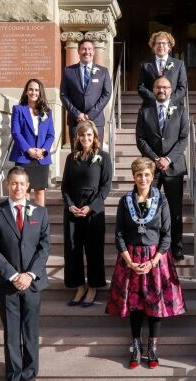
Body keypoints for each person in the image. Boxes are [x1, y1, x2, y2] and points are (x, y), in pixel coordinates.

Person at [106, 157, 185, 369]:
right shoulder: (125, 201)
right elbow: (119, 234)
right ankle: (136, 346)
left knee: (154, 305)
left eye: (147, 175)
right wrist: (130, 262)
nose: (143, 178)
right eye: (139, 175)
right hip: (130, 258)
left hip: (155, 259)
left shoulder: (162, 200)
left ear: (153, 177)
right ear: (134, 177)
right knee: (135, 305)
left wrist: (153, 261)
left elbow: (167, 235)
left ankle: (152, 348)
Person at [0, 167, 51, 381]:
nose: (18, 187)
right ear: (6, 185)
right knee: (12, 332)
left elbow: (44, 248)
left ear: (28, 186)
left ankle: (30, 379)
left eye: (22, 184)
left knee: (30, 332)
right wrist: (13, 275)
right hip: (8, 284)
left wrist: (30, 275)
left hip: (32, 284)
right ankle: (13, 379)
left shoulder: (40, 213)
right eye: (13, 183)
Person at [136, 76, 189, 260]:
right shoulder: (145, 111)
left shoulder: (181, 111)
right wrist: (155, 159)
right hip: (150, 169)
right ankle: (149, 242)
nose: (162, 90)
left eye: (165, 87)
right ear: (153, 89)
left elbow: (183, 139)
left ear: (171, 90)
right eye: (158, 87)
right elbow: (140, 139)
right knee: (147, 205)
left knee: (175, 209)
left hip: (174, 167)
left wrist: (167, 159)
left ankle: (177, 245)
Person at [62, 120, 112, 307]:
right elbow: (65, 185)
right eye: (82, 135)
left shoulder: (103, 157)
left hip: (93, 212)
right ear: (77, 137)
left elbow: (105, 187)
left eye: (89, 135)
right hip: (73, 210)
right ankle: (79, 286)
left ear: (95, 137)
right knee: (73, 250)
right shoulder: (71, 158)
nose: (85, 138)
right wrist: (70, 205)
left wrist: (91, 207)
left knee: (94, 250)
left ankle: (93, 286)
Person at [10, 78, 55, 207]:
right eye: (30, 89)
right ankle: (24, 222)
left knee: (40, 192)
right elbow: (16, 133)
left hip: (41, 157)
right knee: (24, 192)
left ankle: (39, 223)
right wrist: (28, 150)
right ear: (26, 92)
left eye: (36, 90)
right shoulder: (18, 109)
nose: (33, 92)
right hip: (24, 157)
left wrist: (43, 150)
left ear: (40, 92)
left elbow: (51, 135)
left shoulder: (47, 112)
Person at [60, 39, 112, 146]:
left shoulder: (103, 72)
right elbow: (64, 94)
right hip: (76, 121)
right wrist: (76, 113)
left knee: (96, 154)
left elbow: (106, 94)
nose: (86, 51)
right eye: (83, 49)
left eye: (89, 49)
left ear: (93, 52)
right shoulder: (68, 71)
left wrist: (91, 114)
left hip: (96, 121)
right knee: (77, 154)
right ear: (78, 51)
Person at [137, 31, 187, 107]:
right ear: (153, 46)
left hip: (172, 107)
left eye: (164, 43)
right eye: (158, 43)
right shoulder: (145, 65)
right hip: (151, 107)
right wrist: (156, 100)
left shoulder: (179, 64)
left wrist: (168, 101)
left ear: (169, 46)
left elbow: (182, 87)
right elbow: (141, 87)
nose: (161, 46)